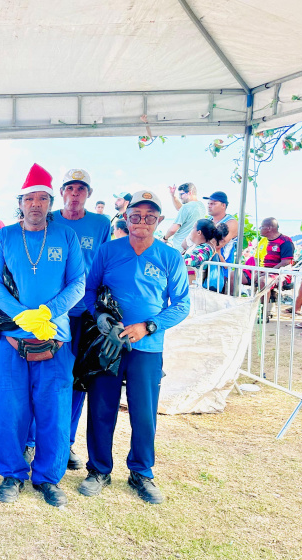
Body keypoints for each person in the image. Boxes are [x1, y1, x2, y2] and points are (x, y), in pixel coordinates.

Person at [80, 190, 190, 505]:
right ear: (126, 218)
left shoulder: (170, 256)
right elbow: (89, 289)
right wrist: (100, 317)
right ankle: (98, 470)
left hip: (148, 347)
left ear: (159, 221)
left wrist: (148, 326)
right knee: (102, 409)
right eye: (136, 216)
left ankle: (141, 473)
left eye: (149, 217)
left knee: (144, 414)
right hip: (109, 345)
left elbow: (182, 304)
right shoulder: (108, 251)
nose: (142, 222)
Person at [0, 163, 85, 508]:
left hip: (55, 339)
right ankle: (12, 474)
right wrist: (20, 315)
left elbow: (78, 283)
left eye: (43, 198)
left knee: (54, 411)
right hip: (11, 339)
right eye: (30, 198)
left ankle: (48, 478)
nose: (36, 205)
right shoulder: (5, 236)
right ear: (21, 202)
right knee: (12, 410)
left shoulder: (65, 236)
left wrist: (49, 312)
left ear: (50, 201)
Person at [51, 168, 111, 471]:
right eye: (70, 188)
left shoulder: (100, 223)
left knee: (78, 381)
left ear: (88, 193)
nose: (75, 194)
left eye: (81, 189)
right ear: (62, 192)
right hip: (51, 313)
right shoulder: (49, 219)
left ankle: (68, 442)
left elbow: (101, 266)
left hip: (85, 314)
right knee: (48, 376)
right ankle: (35, 441)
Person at [242, 218, 294, 288]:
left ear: (269, 228)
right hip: (262, 271)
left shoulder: (285, 241)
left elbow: (286, 262)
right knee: (234, 275)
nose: (260, 228)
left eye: (262, 226)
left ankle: (264, 299)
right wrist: (258, 270)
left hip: (279, 272)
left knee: (263, 281)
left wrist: (268, 271)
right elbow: (256, 258)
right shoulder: (262, 240)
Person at [163, 183, 206, 252]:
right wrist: (172, 196)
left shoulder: (186, 207)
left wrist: (165, 238)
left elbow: (173, 229)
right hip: (193, 248)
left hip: (181, 249)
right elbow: (180, 209)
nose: (180, 197)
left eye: (181, 194)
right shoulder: (201, 206)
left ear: (189, 193)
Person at [203, 191, 238, 264]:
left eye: (213, 203)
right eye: (208, 203)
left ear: (223, 205)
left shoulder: (231, 223)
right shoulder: (208, 220)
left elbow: (217, 244)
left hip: (222, 268)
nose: (209, 206)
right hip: (206, 263)